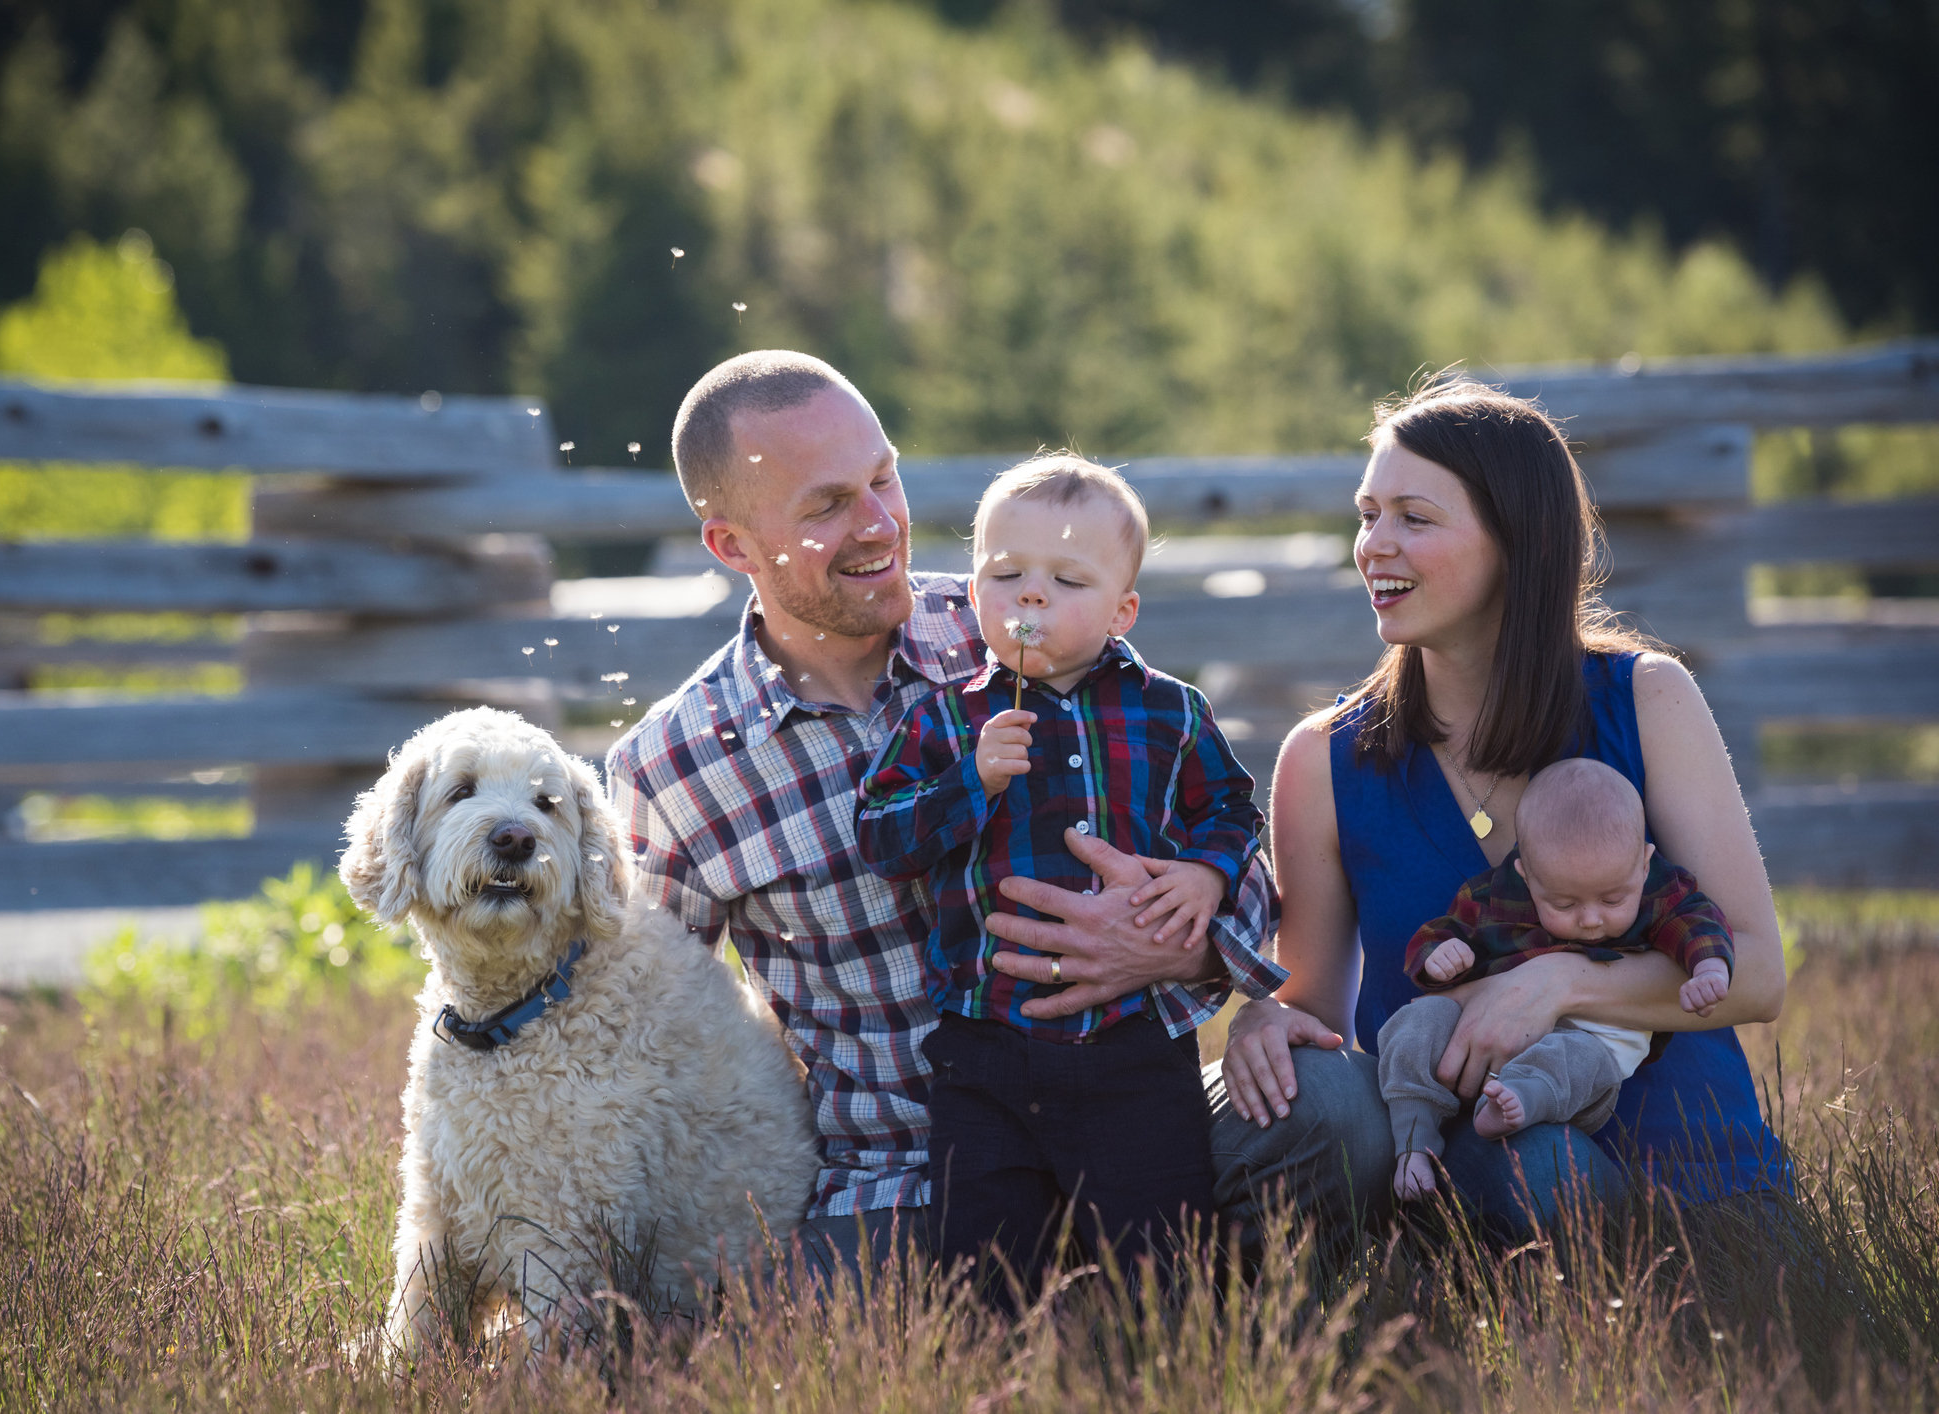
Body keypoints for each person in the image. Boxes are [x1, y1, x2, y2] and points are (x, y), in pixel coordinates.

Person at [602, 352, 1279, 1286]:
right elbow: (651, 1035)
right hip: (902, 1180)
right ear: (731, 546)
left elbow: (1221, 834)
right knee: (824, 1317)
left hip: (1124, 1102)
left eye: (885, 477)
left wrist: (1180, 945)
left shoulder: (1023, 611)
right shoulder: (674, 766)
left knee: (1331, 1117)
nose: (879, 522)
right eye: (826, 505)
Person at [1212, 376, 1787, 1240]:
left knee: (1556, 1165)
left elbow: (1759, 972)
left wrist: (1554, 984)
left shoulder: (1646, 700)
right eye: (1367, 514)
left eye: (1413, 516)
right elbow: (1318, 1018)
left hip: (1699, 1188)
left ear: (1516, 540)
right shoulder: (1324, 760)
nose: (1374, 545)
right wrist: (1266, 1020)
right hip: (1472, 1171)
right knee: (1339, 1111)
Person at [854, 456, 1282, 1298]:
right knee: (984, 1271)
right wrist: (968, 783)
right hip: (985, 1047)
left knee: (1165, 1260)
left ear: (1123, 608)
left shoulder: (1171, 711)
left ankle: (1171, 1372)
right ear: (973, 592)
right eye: (1005, 574)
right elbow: (882, 839)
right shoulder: (943, 719)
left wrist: (1203, 874)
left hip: (1134, 1043)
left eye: (1066, 579)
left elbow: (1233, 809)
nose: (1031, 596)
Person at [1381, 757, 1736, 1202]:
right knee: (1418, 1021)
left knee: (1576, 1058)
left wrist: (1709, 967)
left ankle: (1521, 1101)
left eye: (1612, 899)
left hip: (1592, 1037)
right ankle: (1414, 1141)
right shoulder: (1494, 895)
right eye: (1564, 904)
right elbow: (1440, 934)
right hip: (1481, 1030)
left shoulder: (1657, 891)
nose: (1591, 919)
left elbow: (1698, 921)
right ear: (1526, 875)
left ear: (1643, 865)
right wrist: (1440, 956)